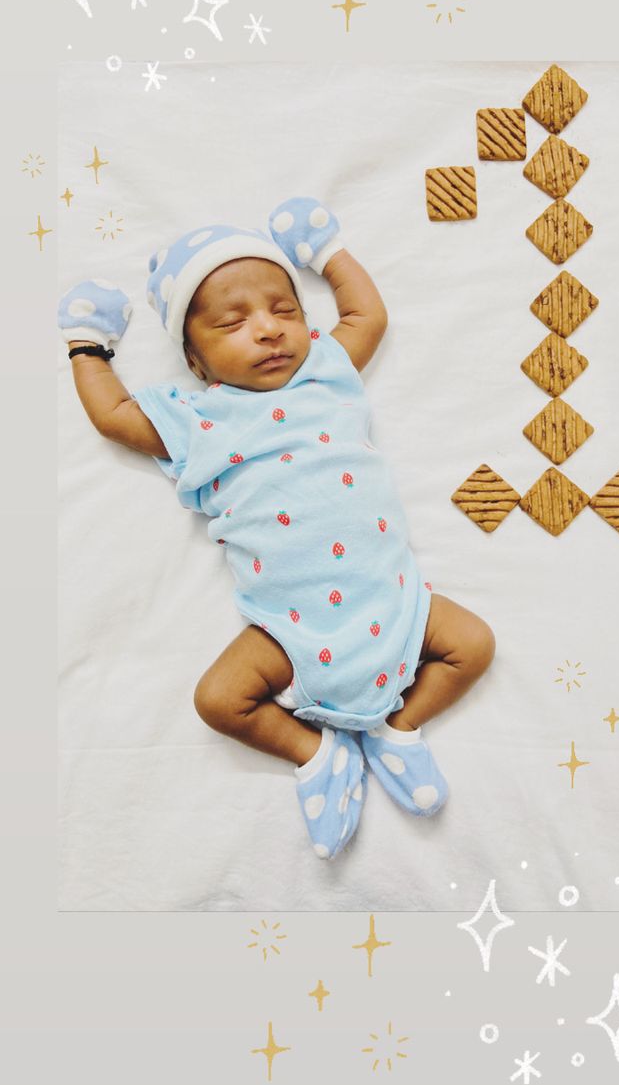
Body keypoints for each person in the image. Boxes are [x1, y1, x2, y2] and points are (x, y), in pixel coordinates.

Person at [58, 197, 495, 861]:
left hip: (395, 602)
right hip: (289, 629)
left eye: (284, 311)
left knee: (473, 643)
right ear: (196, 362)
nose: (268, 330)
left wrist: (326, 253)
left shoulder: (325, 371)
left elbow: (365, 315)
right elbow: (116, 416)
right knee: (218, 700)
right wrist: (88, 347)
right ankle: (315, 752)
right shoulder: (196, 418)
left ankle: (398, 728)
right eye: (233, 323)